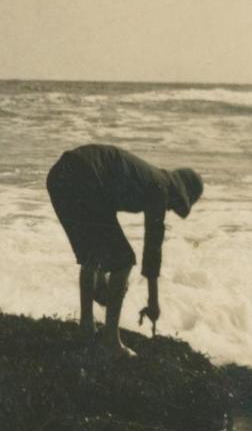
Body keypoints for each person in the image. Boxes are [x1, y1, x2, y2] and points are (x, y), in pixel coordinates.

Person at [46, 144, 203, 357]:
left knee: (92, 254)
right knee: (124, 260)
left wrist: (101, 279)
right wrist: (153, 302)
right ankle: (110, 339)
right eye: (175, 205)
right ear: (179, 192)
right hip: (84, 174)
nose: (169, 209)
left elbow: (102, 214)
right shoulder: (161, 187)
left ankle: (86, 327)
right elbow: (152, 249)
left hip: (60, 175)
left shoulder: (147, 176)